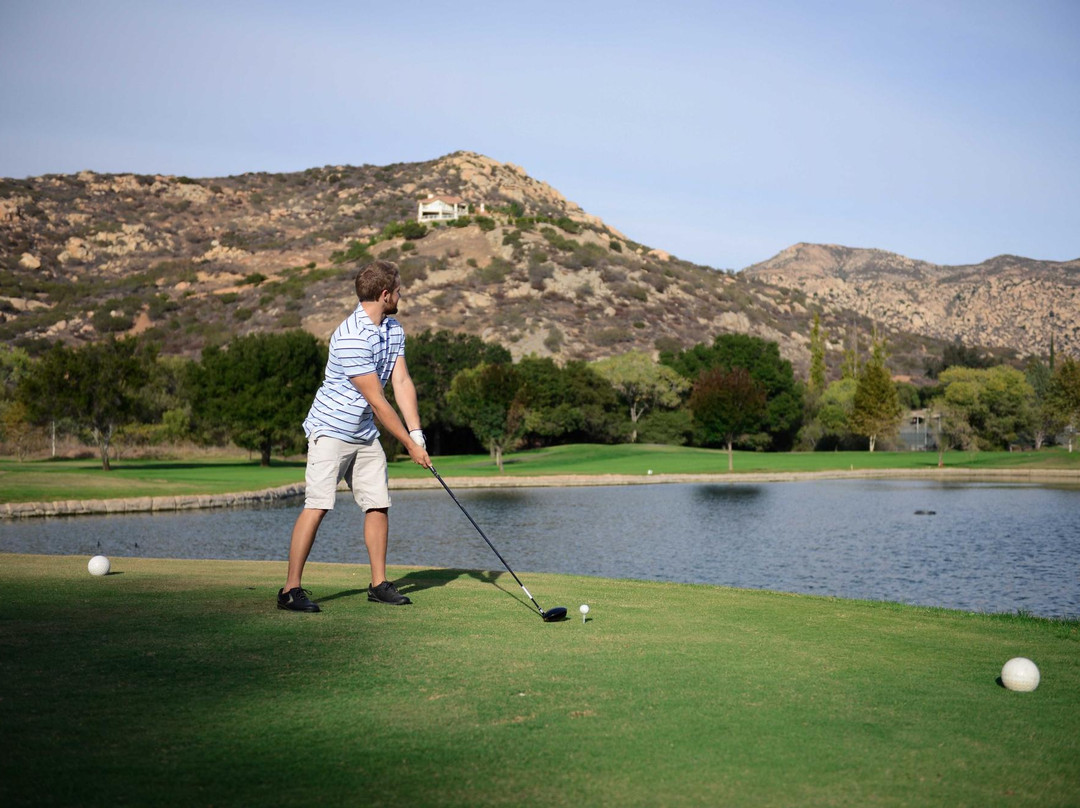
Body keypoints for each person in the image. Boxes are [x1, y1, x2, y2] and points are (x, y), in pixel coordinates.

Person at [278, 260, 431, 613]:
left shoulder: (393, 330)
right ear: (384, 294)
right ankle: (290, 590)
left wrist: (417, 433)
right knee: (317, 505)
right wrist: (409, 447)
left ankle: (378, 584)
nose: (401, 295)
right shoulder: (350, 337)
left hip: (363, 432)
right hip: (331, 429)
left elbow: (402, 382)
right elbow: (377, 401)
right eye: (398, 291)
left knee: (377, 503)